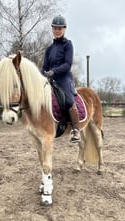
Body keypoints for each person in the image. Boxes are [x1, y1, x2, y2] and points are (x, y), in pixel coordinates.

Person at [42, 15, 81, 143]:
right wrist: (41, 75)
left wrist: (53, 72)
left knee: (69, 101)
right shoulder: (49, 49)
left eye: (60, 28)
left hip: (64, 78)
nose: (57, 30)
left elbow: (67, 64)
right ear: (52, 29)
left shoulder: (68, 45)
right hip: (50, 78)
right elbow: (44, 67)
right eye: (55, 28)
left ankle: (76, 130)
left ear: (64, 29)